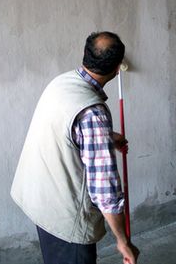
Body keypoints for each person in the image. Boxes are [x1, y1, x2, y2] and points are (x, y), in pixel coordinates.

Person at [11, 31, 139, 264]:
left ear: (85, 55)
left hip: (38, 196)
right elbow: (105, 192)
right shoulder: (93, 112)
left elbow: (65, 131)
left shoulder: (62, 82)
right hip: (65, 217)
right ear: (117, 67)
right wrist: (123, 242)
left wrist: (106, 137)